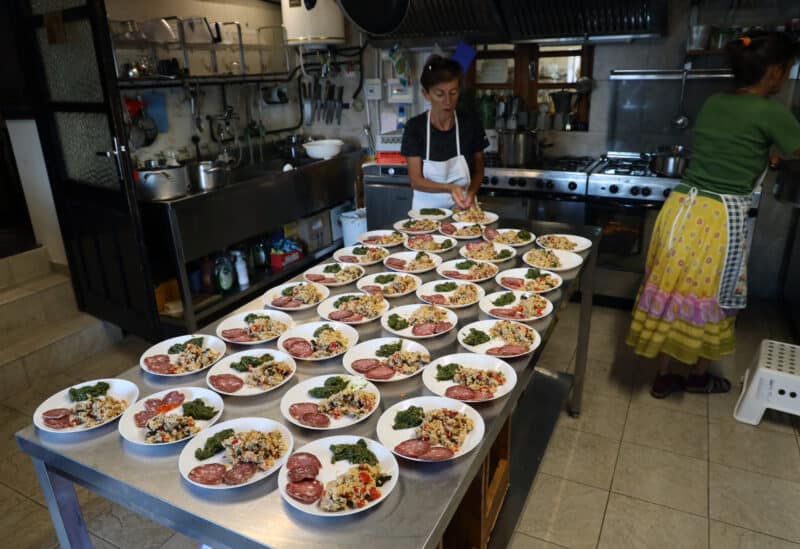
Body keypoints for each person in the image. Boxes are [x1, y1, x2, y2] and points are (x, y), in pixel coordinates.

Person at [626, 31, 800, 398]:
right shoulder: (772, 112)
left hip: (680, 211)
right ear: (774, 72)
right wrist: (779, 155)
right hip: (718, 220)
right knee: (716, 298)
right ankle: (698, 376)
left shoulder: (714, 104)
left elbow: (730, 145)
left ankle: (663, 375)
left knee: (673, 291)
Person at [400, 55, 489, 211]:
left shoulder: (471, 124)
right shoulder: (415, 128)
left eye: (453, 93)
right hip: (426, 215)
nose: (448, 101)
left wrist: (471, 193)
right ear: (426, 94)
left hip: (463, 208)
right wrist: (450, 188)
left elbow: (479, 170)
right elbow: (416, 181)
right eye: (440, 94)